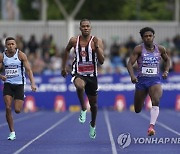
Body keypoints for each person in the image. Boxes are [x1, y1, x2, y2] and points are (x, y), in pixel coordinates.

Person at [61, 19, 104, 139]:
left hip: (92, 75)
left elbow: (102, 61)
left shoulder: (97, 40)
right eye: (83, 26)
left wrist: (97, 47)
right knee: (79, 86)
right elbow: (66, 51)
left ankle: (93, 124)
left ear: (91, 28)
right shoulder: (74, 40)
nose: (85, 28)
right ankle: (83, 108)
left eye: (87, 26)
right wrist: (64, 67)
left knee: (94, 105)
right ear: (80, 28)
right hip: (78, 72)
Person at [127, 27, 170, 136]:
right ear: (142, 38)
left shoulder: (160, 49)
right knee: (137, 109)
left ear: (153, 37)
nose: (148, 38)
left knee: (156, 100)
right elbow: (129, 64)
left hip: (155, 80)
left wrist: (166, 71)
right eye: (145, 36)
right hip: (141, 81)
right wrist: (132, 76)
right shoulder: (138, 49)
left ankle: (151, 127)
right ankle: (144, 98)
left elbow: (167, 60)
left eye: (150, 36)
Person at [0, 37, 37, 140]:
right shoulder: (2, 56)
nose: (11, 46)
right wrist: (1, 76)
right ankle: (12, 132)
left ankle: (21, 97)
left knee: (17, 110)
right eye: (9, 44)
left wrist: (32, 83)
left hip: (19, 84)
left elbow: (29, 70)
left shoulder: (21, 55)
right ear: (6, 46)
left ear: (16, 45)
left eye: (12, 44)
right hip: (8, 84)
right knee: (8, 107)